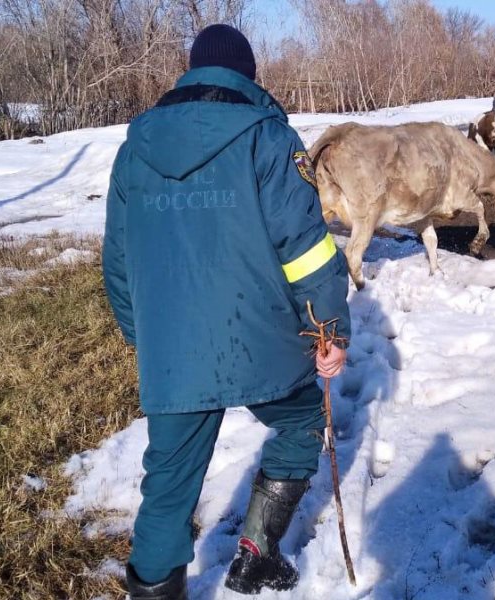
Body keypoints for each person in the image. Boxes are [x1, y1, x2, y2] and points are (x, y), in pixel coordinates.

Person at [102, 24, 351, 599]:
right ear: (248, 76)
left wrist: (146, 337)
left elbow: (118, 256)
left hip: (174, 350)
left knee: (167, 487)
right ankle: (257, 556)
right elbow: (307, 250)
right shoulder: (270, 137)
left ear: (192, 72)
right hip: (258, 335)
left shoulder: (133, 148)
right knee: (298, 422)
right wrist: (328, 329)